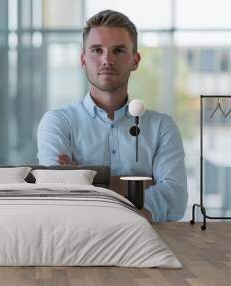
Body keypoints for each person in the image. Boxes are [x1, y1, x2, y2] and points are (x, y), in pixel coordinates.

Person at [36, 10, 187, 222]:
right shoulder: (57, 123)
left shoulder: (161, 127)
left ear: (135, 60)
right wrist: (138, 188)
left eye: (118, 50)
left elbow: (175, 199)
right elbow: (56, 197)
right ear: (83, 60)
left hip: (146, 249)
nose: (107, 60)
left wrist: (87, 181)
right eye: (97, 50)